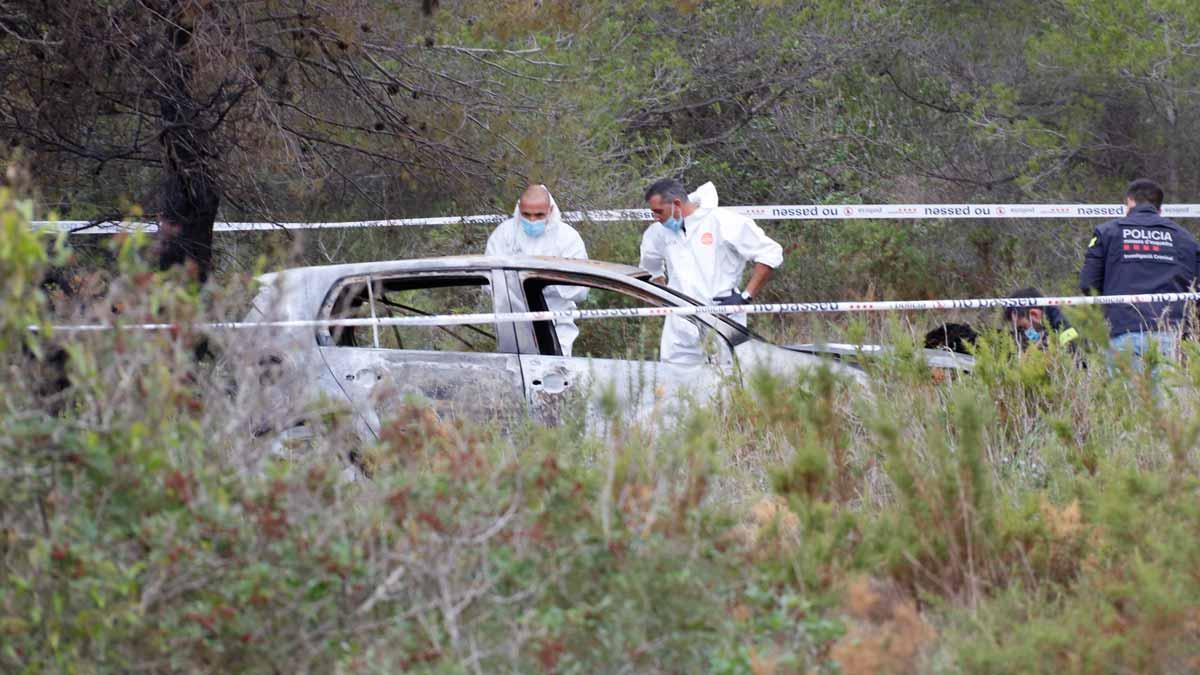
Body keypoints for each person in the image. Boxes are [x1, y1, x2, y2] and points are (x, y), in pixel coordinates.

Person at [639, 179, 783, 364]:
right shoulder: (658, 232)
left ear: (676, 204)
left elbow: (770, 252)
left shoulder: (723, 221)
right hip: (680, 324)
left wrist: (746, 296)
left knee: (727, 379)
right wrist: (663, 296)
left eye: (659, 211)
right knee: (675, 381)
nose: (656, 217)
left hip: (723, 317)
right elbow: (650, 266)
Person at [1079, 179, 1199, 369]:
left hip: (1123, 329)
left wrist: (1109, 311)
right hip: (1171, 333)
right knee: (1168, 398)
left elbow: (1088, 284)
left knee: (1126, 398)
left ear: (1129, 202)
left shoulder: (1107, 232)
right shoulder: (1187, 239)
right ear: (1160, 209)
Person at [486, 184, 588, 356]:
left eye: (539, 215)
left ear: (550, 210)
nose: (532, 220)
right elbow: (489, 282)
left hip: (557, 326)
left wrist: (543, 284)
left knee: (556, 375)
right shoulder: (503, 234)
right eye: (526, 215)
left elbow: (580, 290)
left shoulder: (568, 238)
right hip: (513, 324)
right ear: (519, 209)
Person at [1001, 287, 1078, 351]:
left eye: (1023, 327)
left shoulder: (1063, 323)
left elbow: (1073, 353)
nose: (1026, 332)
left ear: (1034, 314)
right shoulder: (1043, 322)